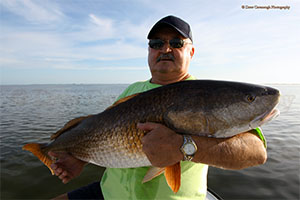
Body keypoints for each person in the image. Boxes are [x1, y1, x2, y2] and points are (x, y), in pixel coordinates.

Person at [50, 15, 267, 200]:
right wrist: (79, 158)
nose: (165, 49)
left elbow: (256, 153)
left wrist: (183, 146)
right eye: (156, 43)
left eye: (176, 42)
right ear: (149, 51)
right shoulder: (132, 90)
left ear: (191, 52)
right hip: (109, 191)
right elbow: (101, 136)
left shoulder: (207, 96)